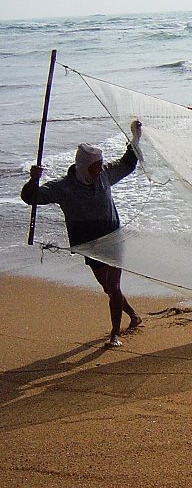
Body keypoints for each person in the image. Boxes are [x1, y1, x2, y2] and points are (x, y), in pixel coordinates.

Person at [21, 120, 143, 347]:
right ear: (84, 166)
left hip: (113, 238)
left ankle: (115, 333)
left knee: (114, 287)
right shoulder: (63, 187)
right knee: (108, 288)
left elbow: (128, 164)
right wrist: (33, 180)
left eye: (101, 164)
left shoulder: (104, 175)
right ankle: (134, 316)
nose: (100, 169)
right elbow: (31, 197)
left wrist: (135, 138)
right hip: (89, 244)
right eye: (96, 166)